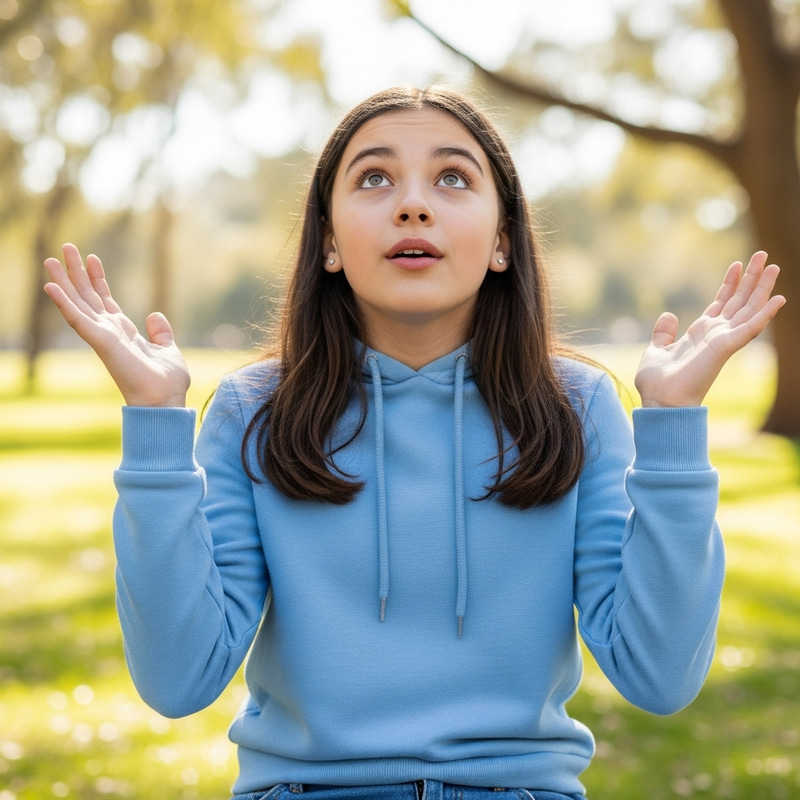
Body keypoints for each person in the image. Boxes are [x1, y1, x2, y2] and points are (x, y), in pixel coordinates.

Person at [43, 86, 785, 800]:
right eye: (374, 177)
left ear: (502, 241)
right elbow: (178, 679)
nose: (413, 204)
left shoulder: (578, 410)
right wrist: (155, 424)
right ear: (328, 242)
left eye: (453, 177)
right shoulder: (252, 413)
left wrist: (674, 426)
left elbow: (660, 676)